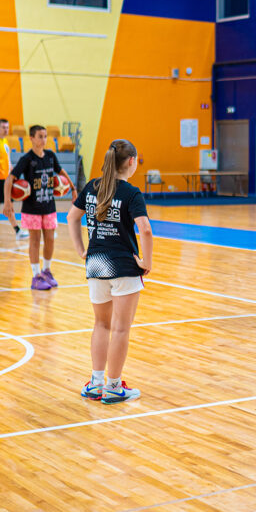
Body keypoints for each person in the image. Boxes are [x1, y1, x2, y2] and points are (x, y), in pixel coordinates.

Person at [66, 139, 151, 404]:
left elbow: (71, 217)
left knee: (101, 324)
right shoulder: (131, 193)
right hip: (123, 266)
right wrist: (146, 261)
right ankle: (114, 387)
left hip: (96, 263)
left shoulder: (93, 186)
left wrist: (82, 249)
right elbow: (145, 229)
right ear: (131, 161)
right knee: (121, 329)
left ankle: (96, 383)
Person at [10, 126, 71, 290]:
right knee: (35, 241)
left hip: (49, 206)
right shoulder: (27, 159)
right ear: (32, 138)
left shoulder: (50, 156)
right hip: (31, 208)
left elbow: (61, 171)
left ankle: (46, 271)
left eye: (45, 136)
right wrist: (8, 203)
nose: (43, 139)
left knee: (50, 239)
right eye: (40, 136)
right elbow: (10, 178)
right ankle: (36, 276)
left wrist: (73, 188)